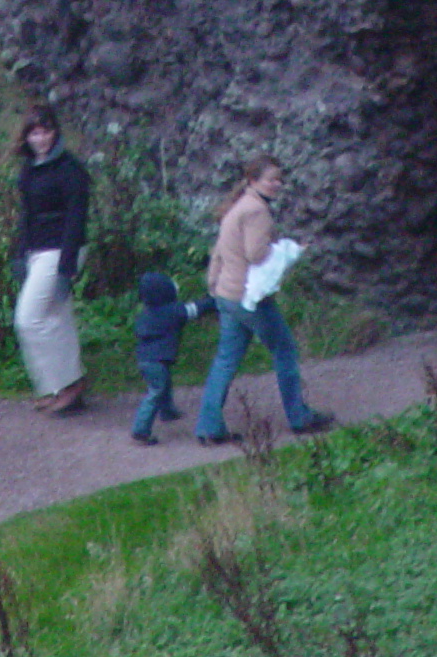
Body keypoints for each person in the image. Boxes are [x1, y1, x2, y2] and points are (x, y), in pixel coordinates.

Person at [192, 156, 332, 443]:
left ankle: (208, 428)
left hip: (227, 294)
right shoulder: (257, 211)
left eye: (280, 179)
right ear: (254, 180)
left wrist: (214, 285)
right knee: (285, 351)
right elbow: (256, 254)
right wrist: (286, 250)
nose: (278, 184)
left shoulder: (237, 206)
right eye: (272, 179)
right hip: (249, 297)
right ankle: (299, 417)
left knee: (225, 361)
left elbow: (219, 251)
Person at [10, 106, 90, 415]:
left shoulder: (70, 170)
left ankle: (68, 383)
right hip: (36, 251)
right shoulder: (30, 169)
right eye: (33, 133)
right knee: (57, 319)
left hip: (60, 250)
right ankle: (58, 386)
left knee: (28, 320)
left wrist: (65, 269)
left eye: (44, 132)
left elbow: (76, 221)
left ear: (54, 133)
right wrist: (20, 253)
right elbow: (26, 215)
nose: (39, 139)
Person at [128, 270, 214, 445]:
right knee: (156, 392)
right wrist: (213, 301)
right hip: (157, 360)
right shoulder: (171, 311)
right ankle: (140, 429)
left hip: (145, 359)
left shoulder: (146, 313)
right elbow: (195, 309)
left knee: (163, 385)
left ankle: (168, 411)